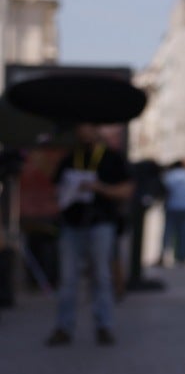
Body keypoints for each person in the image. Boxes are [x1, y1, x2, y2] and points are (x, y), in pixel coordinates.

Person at [49, 124, 132, 346]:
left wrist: (99, 188)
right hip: (71, 224)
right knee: (68, 279)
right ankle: (63, 327)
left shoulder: (112, 158)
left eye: (88, 127)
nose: (83, 132)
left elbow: (127, 189)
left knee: (101, 276)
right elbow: (55, 189)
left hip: (100, 223)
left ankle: (104, 326)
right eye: (80, 127)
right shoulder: (70, 158)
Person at [159, 158, 185, 265]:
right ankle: (182, 257)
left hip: (172, 206)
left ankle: (163, 256)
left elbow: (164, 190)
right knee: (184, 232)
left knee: (168, 232)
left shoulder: (170, 176)